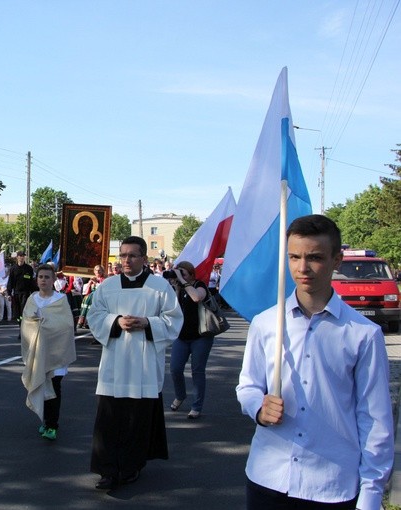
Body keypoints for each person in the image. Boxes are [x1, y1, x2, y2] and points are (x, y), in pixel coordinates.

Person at [237, 214, 394, 510]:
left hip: (330, 485)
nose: (302, 268)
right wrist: (258, 407)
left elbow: (375, 419)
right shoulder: (266, 323)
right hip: (267, 477)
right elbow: (247, 385)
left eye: (315, 257)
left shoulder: (364, 334)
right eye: (294, 257)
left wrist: (371, 494)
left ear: (337, 260)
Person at [87, 236, 183, 490]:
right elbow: (94, 315)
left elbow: (174, 320)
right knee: (108, 417)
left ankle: (131, 467)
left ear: (144, 259)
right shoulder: (107, 286)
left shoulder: (159, 287)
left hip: (144, 363)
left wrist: (148, 323)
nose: (126, 260)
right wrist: (116, 321)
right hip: (114, 361)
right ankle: (106, 470)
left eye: (132, 255)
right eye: (123, 255)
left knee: (135, 419)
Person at [20, 264, 76, 441]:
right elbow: (26, 323)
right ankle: (45, 421)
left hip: (56, 351)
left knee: (54, 386)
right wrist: (36, 324)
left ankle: (53, 424)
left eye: (47, 277)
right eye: (41, 277)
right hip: (37, 351)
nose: (43, 280)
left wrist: (46, 324)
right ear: (37, 280)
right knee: (41, 384)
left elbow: (66, 325)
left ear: (53, 280)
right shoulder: (32, 299)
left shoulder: (61, 299)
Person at [165, 261, 213, 419]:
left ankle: (196, 406)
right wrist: (177, 287)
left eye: (183, 273)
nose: (180, 276)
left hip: (201, 336)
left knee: (197, 371)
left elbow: (196, 298)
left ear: (192, 275)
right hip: (182, 336)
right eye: (179, 273)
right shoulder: (181, 288)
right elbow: (175, 309)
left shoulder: (200, 286)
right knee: (175, 369)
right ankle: (180, 395)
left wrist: (184, 282)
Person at [8, 251, 36, 332]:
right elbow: (10, 281)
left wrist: (34, 292)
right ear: (17, 257)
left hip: (26, 293)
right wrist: (9, 293)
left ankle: (23, 328)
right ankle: (20, 324)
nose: (22, 257)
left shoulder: (28, 268)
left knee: (24, 309)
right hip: (16, 293)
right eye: (20, 256)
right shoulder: (13, 269)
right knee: (18, 312)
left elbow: (31, 282)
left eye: (23, 256)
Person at [78, 264, 106, 329]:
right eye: (96, 270)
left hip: (98, 298)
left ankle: (90, 323)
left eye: (99, 270)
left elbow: (102, 290)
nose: (98, 272)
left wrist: (96, 283)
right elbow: (85, 291)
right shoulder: (92, 279)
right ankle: (82, 322)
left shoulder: (104, 280)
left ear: (102, 271)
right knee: (85, 308)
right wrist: (90, 283)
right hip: (89, 297)